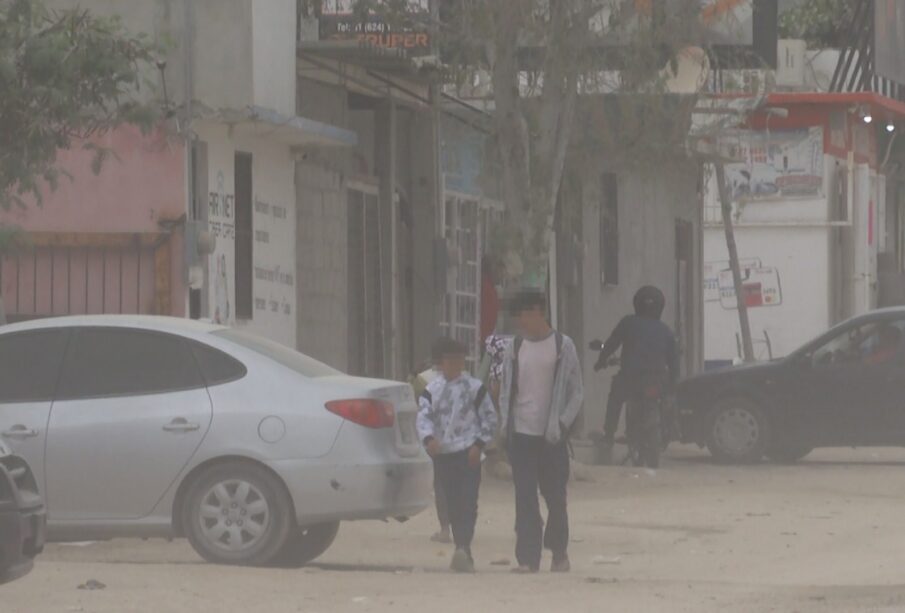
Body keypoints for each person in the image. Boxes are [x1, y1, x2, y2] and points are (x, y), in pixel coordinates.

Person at [498, 290, 583, 574]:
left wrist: (561, 423)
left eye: (526, 314)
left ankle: (559, 552)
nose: (522, 321)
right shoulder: (516, 346)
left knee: (555, 496)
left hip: (551, 437)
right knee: (524, 496)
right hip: (521, 433)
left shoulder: (562, 345)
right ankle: (527, 558)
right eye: (519, 315)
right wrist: (502, 427)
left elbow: (576, 392)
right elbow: (507, 388)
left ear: (540, 313)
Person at [416, 337, 498, 573]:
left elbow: (489, 418)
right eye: (450, 360)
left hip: (469, 452)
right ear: (442, 362)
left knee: (468, 500)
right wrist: (429, 439)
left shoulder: (475, 388)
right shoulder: (432, 390)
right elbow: (423, 417)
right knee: (451, 501)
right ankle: (460, 545)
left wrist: (479, 444)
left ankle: (464, 546)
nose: (454, 364)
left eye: (459, 360)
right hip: (444, 453)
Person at [595, 286, 679, 444]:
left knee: (615, 398)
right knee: (668, 399)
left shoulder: (628, 322)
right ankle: (670, 430)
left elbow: (611, 344)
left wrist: (601, 361)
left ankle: (609, 435)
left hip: (630, 379)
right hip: (657, 381)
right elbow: (674, 361)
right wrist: (673, 384)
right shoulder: (666, 331)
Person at [408, 360, 450, 544]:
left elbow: (418, 409)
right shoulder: (466, 381)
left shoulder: (422, 381)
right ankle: (460, 529)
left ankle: (445, 529)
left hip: (437, 442)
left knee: (441, 486)